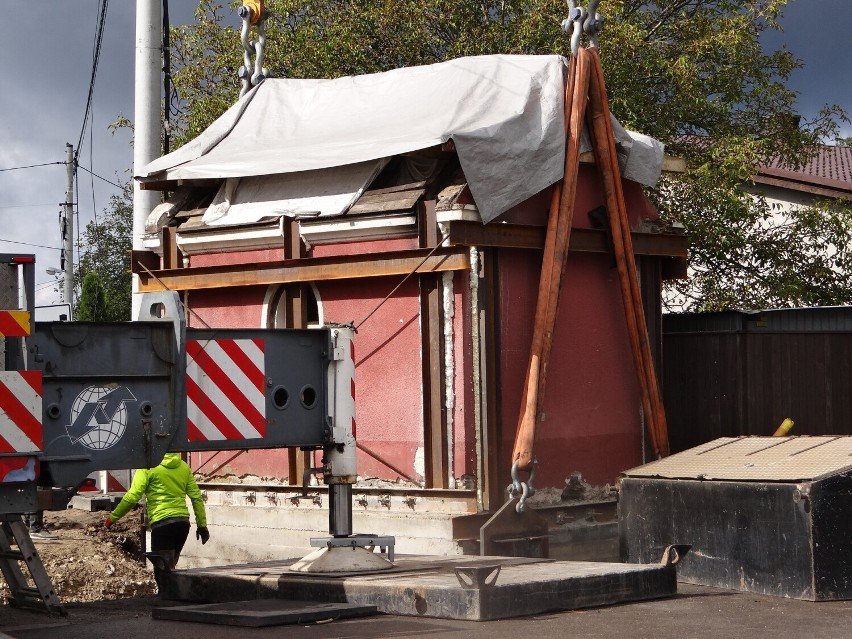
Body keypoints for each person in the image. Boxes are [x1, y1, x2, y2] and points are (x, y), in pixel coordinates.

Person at [105, 453, 209, 570]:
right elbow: (196, 497)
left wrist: (113, 517)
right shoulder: (184, 467)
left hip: (162, 524)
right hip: (182, 525)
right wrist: (202, 526)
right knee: (170, 569)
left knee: (163, 573)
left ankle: (168, 587)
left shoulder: (148, 467)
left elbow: (132, 497)